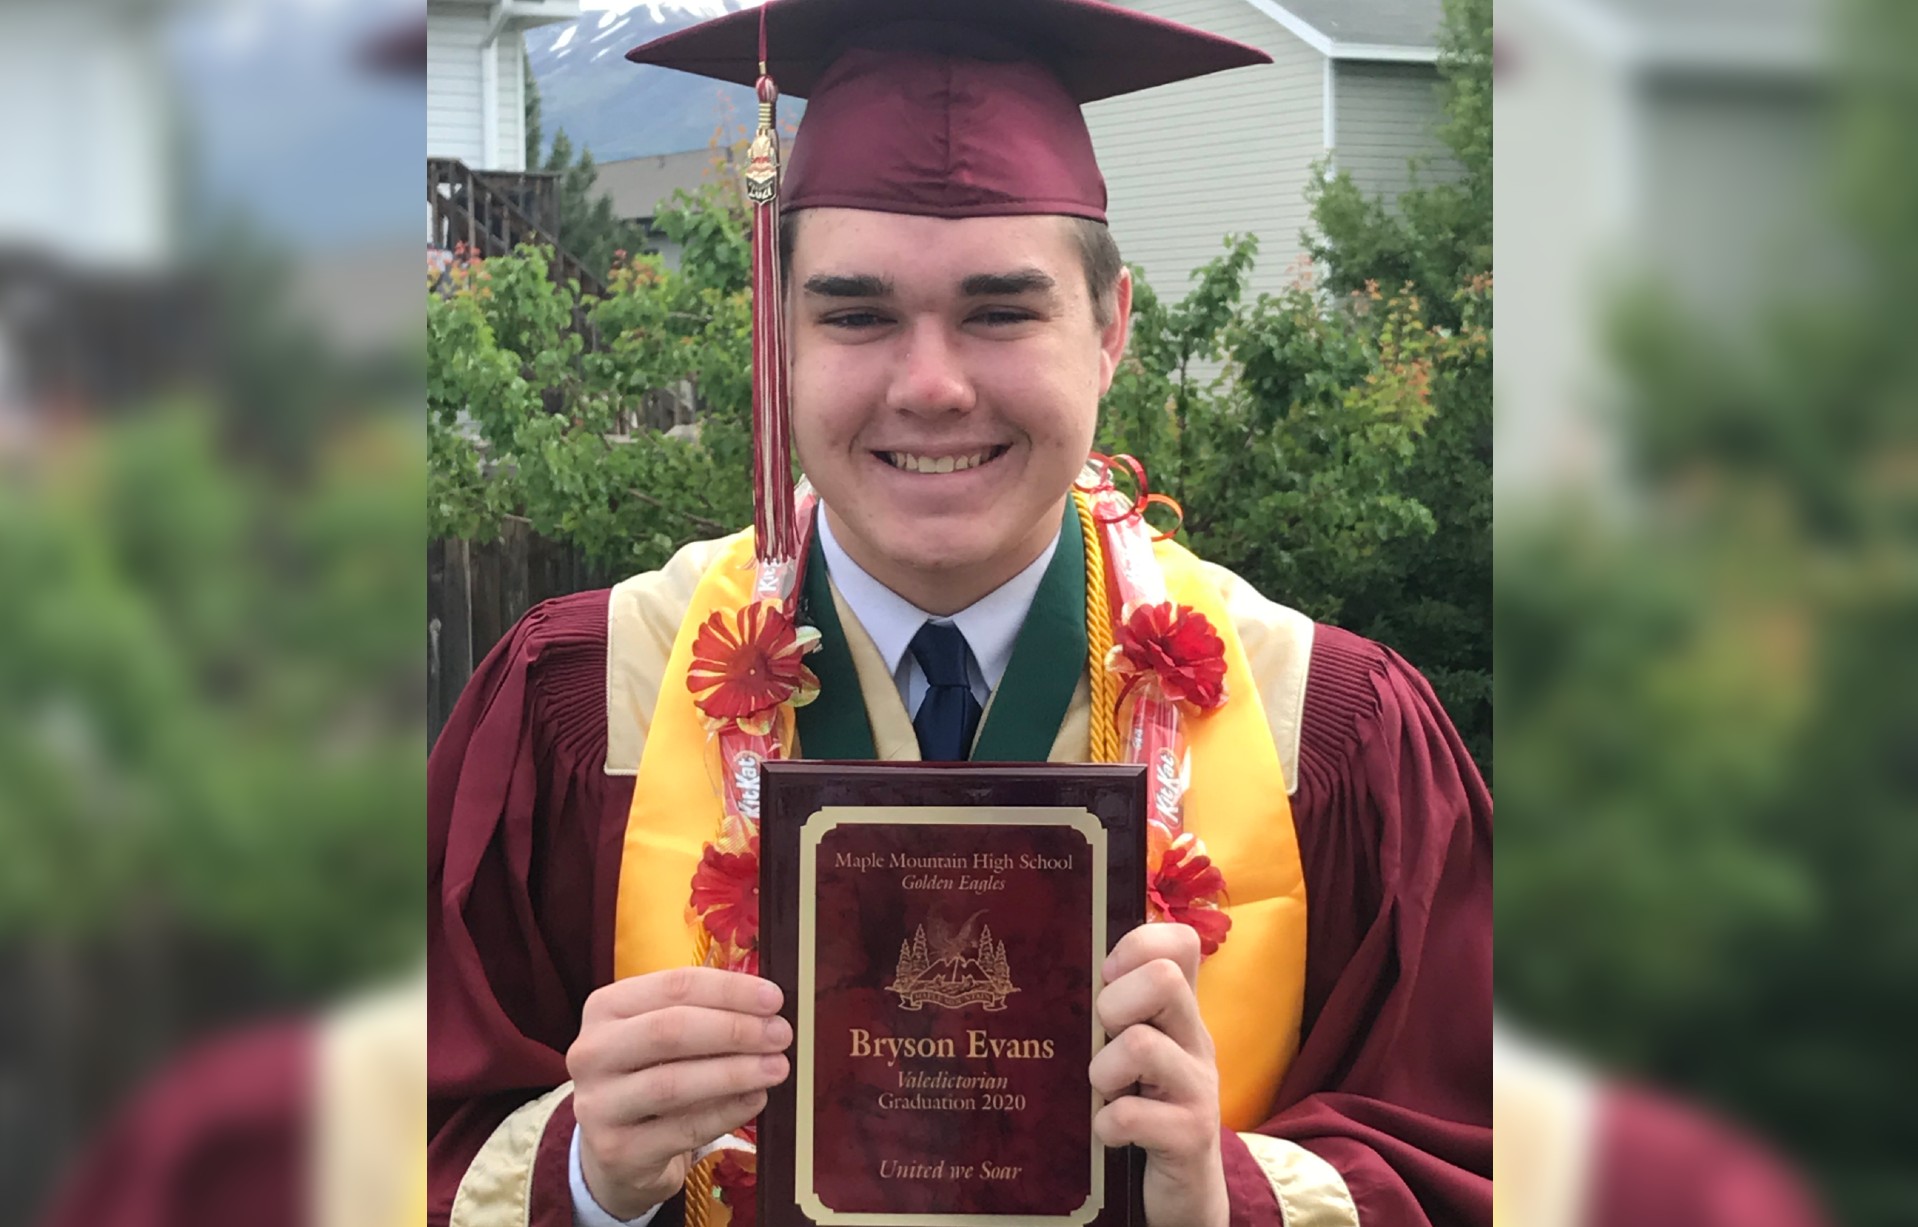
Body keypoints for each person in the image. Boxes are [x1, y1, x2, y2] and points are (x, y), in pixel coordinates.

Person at [428, 1, 1491, 1225]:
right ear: (778, 337)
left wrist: (1228, 1198)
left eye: (999, 311)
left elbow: (1480, 1153)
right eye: (858, 314)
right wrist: (584, 1174)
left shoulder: (1328, 728)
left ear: (1110, 332)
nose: (930, 385)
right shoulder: (584, 699)